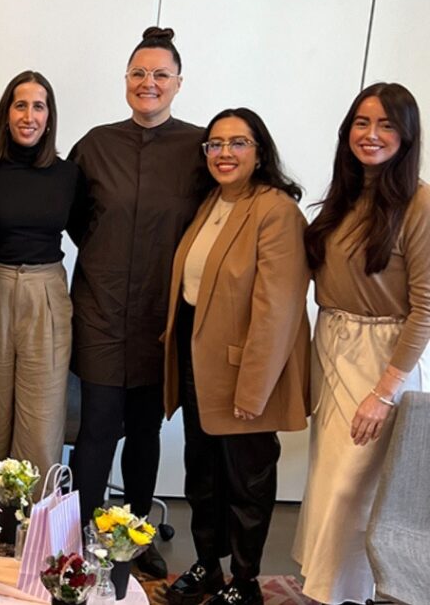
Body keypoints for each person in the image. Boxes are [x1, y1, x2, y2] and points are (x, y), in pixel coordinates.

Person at [68, 26, 203, 579]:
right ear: (126, 80)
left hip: (162, 315)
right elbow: (77, 221)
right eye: (139, 74)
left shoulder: (199, 148)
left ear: (177, 84)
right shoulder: (95, 145)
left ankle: (133, 534)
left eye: (160, 75)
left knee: (146, 430)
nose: (149, 83)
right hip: (101, 308)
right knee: (97, 428)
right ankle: (77, 537)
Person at [162, 109, 310, 605]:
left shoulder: (276, 211)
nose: (224, 153)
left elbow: (279, 308)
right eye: (215, 144)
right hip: (196, 365)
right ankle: (207, 566)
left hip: (244, 371)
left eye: (237, 143)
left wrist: (255, 387)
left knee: (246, 484)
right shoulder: (211, 202)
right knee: (201, 476)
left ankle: (244, 584)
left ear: (260, 151)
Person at [293, 82, 430, 604]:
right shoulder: (349, 193)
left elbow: (426, 308)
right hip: (332, 347)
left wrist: (385, 391)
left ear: (407, 134)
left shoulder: (418, 202)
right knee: (330, 483)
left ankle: (345, 594)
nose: (371, 135)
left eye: (386, 125)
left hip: (382, 356)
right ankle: (326, 589)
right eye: (362, 123)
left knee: (355, 489)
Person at [0, 71, 78, 509]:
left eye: (39, 106)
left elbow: (89, 233)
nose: (29, 116)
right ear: (5, 115)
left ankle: (35, 527)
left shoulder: (68, 175)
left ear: (50, 117)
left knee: (42, 417)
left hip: (46, 292)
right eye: (20, 105)